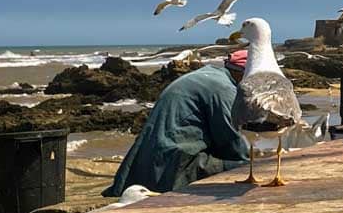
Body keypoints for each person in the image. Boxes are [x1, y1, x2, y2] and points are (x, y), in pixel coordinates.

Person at [103, 51, 250, 196]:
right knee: (248, 167)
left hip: (149, 164)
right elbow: (231, 139)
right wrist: (253, 160)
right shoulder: (224, 89)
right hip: (175, 165)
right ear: (243, 73)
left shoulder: (207, 74)